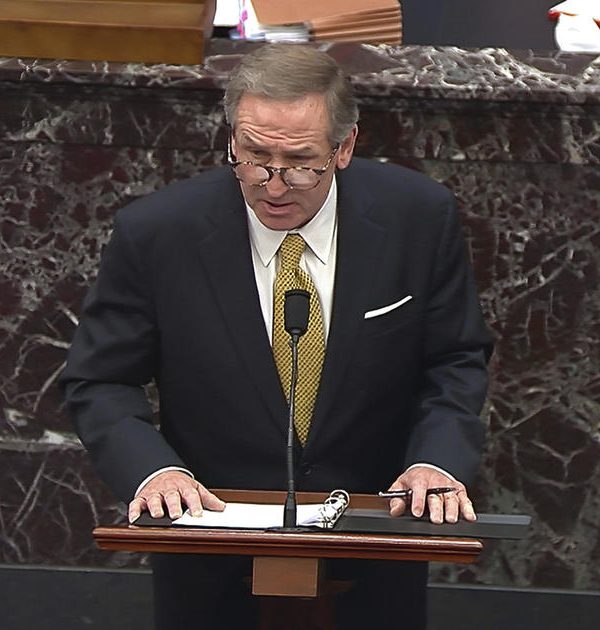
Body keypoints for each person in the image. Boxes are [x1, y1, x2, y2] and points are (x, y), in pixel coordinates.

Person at [61, 44, 493, 630]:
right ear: (231, 139)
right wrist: (154, 471)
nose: (274, 185)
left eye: (301, 162)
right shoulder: (158, 232)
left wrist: (437, 462)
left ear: (345, 147)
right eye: (255, 156)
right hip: (210, 552)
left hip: (375, 545)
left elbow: (455, 359)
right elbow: (100, 379)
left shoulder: (417, 216)